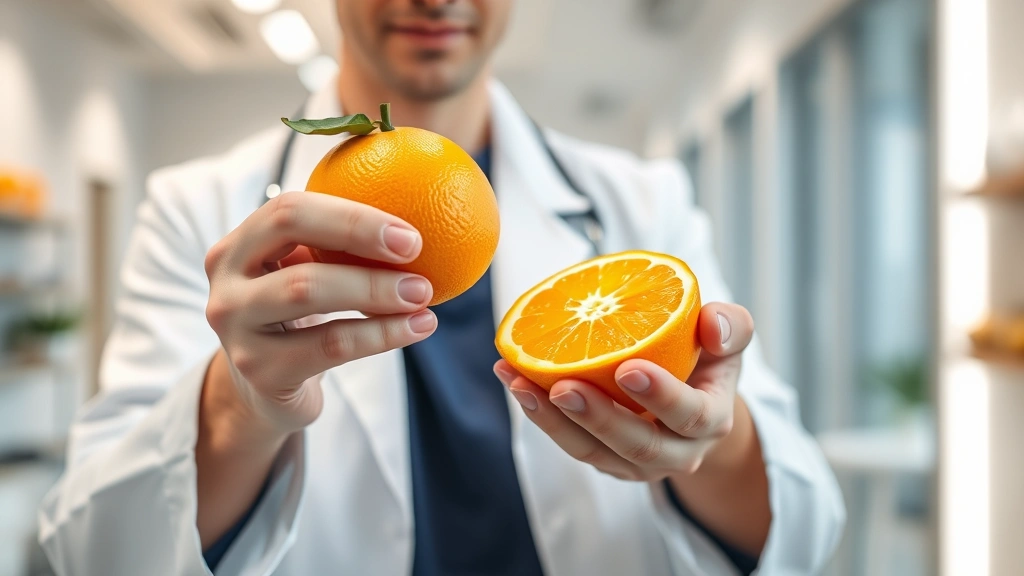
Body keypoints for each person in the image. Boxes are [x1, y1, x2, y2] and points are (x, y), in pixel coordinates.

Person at [38, 1, 844, 574]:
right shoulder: (198, 210)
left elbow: (806, 530)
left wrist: (710, 440)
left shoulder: (642, 203)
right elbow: (95, 550)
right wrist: (237, 405)